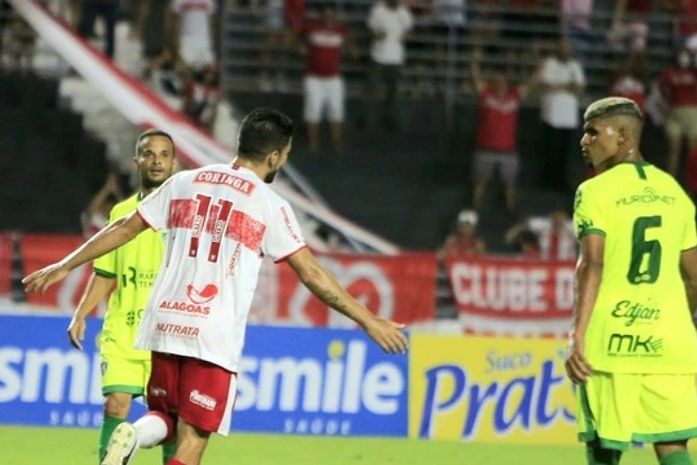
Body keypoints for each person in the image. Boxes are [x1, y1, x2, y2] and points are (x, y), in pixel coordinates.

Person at [23, 108, 408, 465]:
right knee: (193, 439)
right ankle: (134, 437)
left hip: (163, 325)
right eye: (286, 154)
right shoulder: (267, 203)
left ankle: (133, 435)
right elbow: (312, 274)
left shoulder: (184, 182)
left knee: (165, 416)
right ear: (275, 156)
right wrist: (368, 320)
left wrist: (64, 264)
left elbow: (123, 228)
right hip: (210, 336)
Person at [565, 96, 697, 465]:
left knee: (604, 448)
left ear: (622, 136)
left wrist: (578, 334)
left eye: (593, 132)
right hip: (670, 343)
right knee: (673, 447)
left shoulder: (593, 191)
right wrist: (678, 322)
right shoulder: (674, 192)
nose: (584, 141)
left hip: (612, 342)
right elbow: (694, 278)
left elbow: (592, 263)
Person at [69, 130, 178, 464]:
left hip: (168, 335)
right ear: (136, 161)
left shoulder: (184, 217)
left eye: (164, 155)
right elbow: (105, 273)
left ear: (174, 164)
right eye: (149, 154)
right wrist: (81, 313)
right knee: (116, 403)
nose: (156, 161)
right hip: (124, 331)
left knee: (172, 419)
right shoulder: (120, 213)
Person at [468, 48, 538, 212]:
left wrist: (540, 67)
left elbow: (531, 84)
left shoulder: (514, 95)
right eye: (496, 80)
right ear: (492, 82)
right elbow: (475, 78)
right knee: (479, 184)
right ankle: (475, 210)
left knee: (510, 185)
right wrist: (474, 62)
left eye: (502, 81)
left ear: (507, 82)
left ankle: (510, 211)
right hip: (485, 149)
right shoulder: (486, 94)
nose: (500, 83)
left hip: (508, 150)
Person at [299, 5, 358, 154]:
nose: (328, 18)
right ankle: (313, 143)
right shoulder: (311, 28)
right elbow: (296, 36)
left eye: (331, 15)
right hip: (314, 78)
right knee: (313, 110)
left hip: (333, 79)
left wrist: (352, 49)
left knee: (336, 111)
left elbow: (350, 43)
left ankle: (336, 142)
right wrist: (300, 46)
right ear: (320, 16)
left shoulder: (341, 30)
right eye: (325, 15)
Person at [538, 37, 586, 193]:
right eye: (562, 47)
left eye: (567, 47)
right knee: (549, 151)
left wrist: (559, 86)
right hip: (550, 116)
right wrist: (567, 85)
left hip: (568, 118)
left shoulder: (575, 66)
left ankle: (561, 182)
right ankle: (546, 181)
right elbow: (544, 85)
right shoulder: (549, 64)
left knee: (564, 153)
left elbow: (579, 88)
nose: (565, 50)